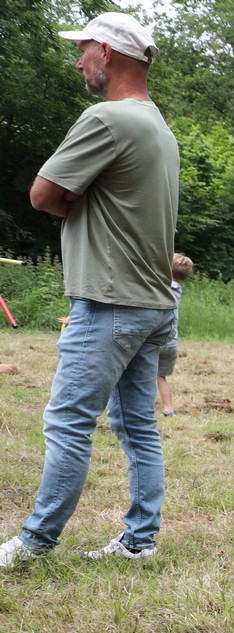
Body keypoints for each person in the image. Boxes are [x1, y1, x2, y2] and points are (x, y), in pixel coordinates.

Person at [2, 12, 180, 569]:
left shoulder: (106, 118)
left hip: (109, 302)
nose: (78, 62)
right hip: (154, 303)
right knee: (137, 425)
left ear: (106, 52)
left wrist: (72, 201)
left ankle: (34, 543)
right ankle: (139, 541)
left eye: (83, 50)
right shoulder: (159, 126)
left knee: (67, 421)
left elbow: (42, 194)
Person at [155, 253, 193, 418]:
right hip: (171, 341)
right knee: (160, 376)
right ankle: (168, 409)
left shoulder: (162, 287)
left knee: (142, 373)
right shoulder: (177, 290)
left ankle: (141, 407)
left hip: (156, 340)